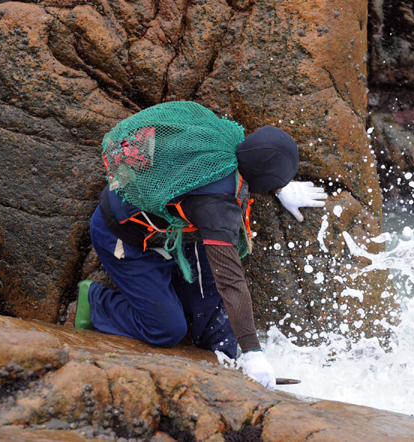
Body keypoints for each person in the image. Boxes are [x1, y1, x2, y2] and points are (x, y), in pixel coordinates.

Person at [75, 102, 327, 390]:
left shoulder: (227, 140)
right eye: (272, 185)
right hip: (127, 238)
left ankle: (226, 367)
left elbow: (257, 159)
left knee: (220, 335)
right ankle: (95, 302)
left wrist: (281, 189)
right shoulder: (216, 206)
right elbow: (230, 280)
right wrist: (255, 354)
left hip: (177, 234)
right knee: (166, 330)